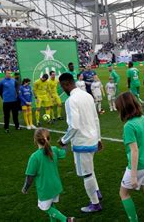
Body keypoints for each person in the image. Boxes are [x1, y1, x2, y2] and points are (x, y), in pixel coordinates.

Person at [58, 73, 103, 213]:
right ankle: (96, 191)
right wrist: (99, 138)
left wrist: (63, 140)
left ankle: (95, 203)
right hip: (92, 139)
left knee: (87, 173)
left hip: (82, 142)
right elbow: (96, 118)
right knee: (90, 169)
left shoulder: (71, 101)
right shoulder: (87, 96)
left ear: (65, 84)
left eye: (61, 86)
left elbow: (74, 125)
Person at [115, 92, 144, 222]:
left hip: (138, 165)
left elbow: (134, 151)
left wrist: (134, 175)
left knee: (123, 193)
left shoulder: (129, 126)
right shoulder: (143, 119)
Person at [22, 128, 74, 222]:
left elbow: (30, 177)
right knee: (51, 206)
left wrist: (25, 188)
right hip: (56, 186)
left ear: (35, 140)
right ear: (49, 139)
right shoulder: (53, 149)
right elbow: (64, 152)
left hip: (45, 189)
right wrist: (64, 143)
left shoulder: (34, 157)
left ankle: (66, 220)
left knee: (45, 208)